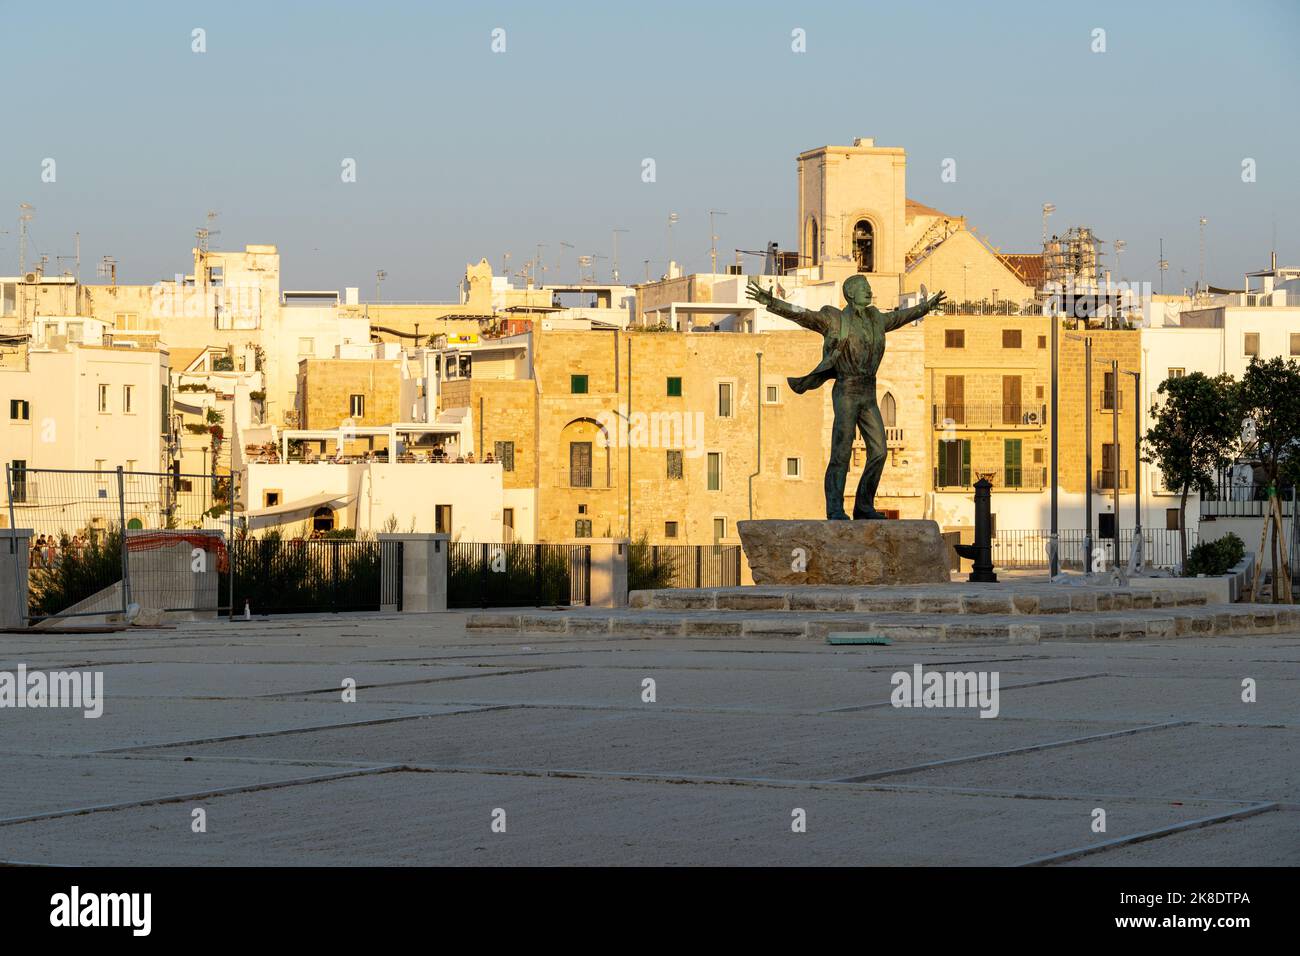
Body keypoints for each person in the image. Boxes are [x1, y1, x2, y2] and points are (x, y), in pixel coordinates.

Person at [746, 275, 945, 519]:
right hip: (846, 391)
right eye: (864, 288)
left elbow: (901, 316)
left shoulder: (876, 319)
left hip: (868, 392)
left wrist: (926, 306)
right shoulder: (835, 320)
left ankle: (863, 506)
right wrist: (772, 302)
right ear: (850, 293)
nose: (869, 291)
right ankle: (835, 509)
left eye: (869, 287)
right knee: (841, 453)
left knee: (880, 451)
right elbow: (803, 314)